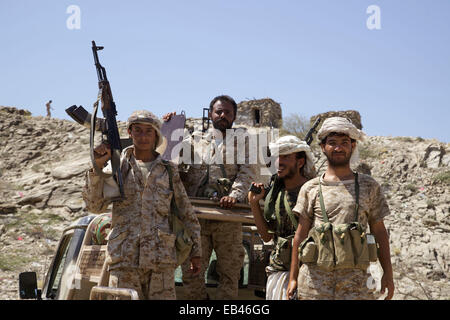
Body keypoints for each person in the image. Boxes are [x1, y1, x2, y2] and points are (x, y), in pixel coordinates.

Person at [82, 110, 202, 300]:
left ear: (156, 135)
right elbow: (95, 206)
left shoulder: (168, 170)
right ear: (130, 133)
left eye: (149, 131)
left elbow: (186, 213)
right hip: (125, 262)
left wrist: (196, 253)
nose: (143, 136)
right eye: (137, 130)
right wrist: (97, 167)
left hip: (160, 263)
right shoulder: (117, 167)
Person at [287, 117, 395, 300]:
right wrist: (293, 278)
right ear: (322, 147)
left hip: (356, 286)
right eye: (332, 143)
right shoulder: (311, 188)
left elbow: (380, 232)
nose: (338, 148)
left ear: (353, 146)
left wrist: (388, 275)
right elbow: (300, 235)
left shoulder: (369, 186)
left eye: (344, 143)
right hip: (314, 285)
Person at [164, 95, 257, 299]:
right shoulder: (194, 140)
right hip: (196, 217)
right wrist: (168, 128)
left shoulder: (244, 141)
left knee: (230, 272)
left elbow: (248, 171)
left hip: (228, 217)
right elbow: (171, 162)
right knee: (191, 272)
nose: (223, 115)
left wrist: (234, 195)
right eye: (219, 111)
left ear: (234, 116)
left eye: (227, 112)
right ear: (211, 113)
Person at [248, 135, 316, 300]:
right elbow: (266, 236)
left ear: (300, 162)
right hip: (279, 271)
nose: (279, 162)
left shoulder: (313, 191)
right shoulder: (276, 193)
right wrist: (254, 204)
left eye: (285, 157)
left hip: (309, 273)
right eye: (277, 156)